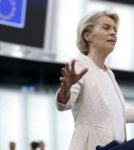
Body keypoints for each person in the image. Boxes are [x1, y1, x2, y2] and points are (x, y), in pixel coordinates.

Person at [55, 9, 134, 150]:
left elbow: (117, 113)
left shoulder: (109, 73)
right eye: (106, 27)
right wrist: (66, 87)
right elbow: (63, 105)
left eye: (115, 30)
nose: (113, 33)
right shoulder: (80, 65)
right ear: (88, 36)